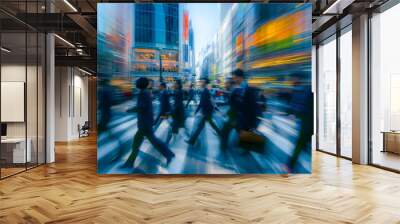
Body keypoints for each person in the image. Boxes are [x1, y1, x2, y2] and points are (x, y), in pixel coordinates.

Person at [123, 77, 175, 167]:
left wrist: (129, 110)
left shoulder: (143, 93)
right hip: (145, 123)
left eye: (137, 82)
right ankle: (130, 162)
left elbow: (141, 107)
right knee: (139, 143)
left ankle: (169, 154)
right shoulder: (145, 92)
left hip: (145, 124)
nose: (136, 83)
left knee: (150, 142)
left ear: (140, 84)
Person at [186, 77, 221, 145]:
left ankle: (191, 141)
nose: (201, 83)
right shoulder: (205, 90)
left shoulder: (206, 91)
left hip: (206, 112)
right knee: (203, 126)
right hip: (206, 112)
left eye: (202, 82)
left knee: (200, 126)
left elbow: (204, 103)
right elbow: (205, 102)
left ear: (205, 83)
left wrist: (202, 112)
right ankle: (192, 141)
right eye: (201, 81)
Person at [219, 77, 241, 148]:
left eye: (226, 83)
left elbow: (236, 106)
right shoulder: (233, 91)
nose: (225, 85)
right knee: (238, 131)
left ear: (230, 84)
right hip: (234, 116)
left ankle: (223, 147)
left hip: (234, 117)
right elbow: (233, 105)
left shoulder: (235, 91)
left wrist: (233, 117)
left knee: (225, 131)